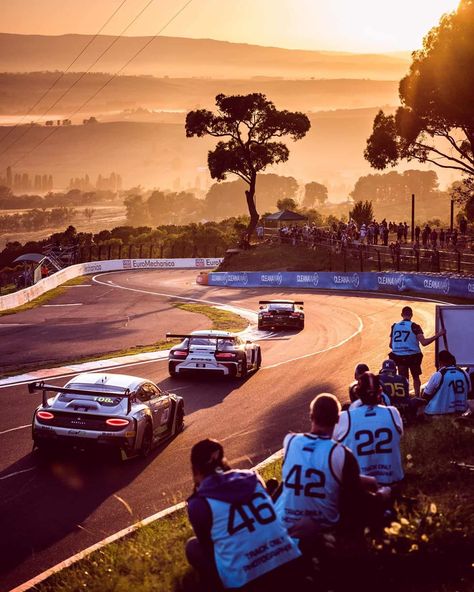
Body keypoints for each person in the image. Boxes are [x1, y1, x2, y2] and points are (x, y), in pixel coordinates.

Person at [274, 394, 391, 547]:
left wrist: (363, 479)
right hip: (323, 529)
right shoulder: (342, 454)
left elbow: (308, 470)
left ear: (311, 416)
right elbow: (359, 501)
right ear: (337, 419)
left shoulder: (290, 441)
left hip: (284, 526)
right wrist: (382, 496)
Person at [185, 439, 301, 590]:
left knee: (192, 547)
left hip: (246, 581)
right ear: (222, 460)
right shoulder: (253, 477)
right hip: (289, 562)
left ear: (196, 469)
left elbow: (209, 547)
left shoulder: (199, 503)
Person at [334, 373, 404, 486]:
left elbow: (334, 445)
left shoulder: (345, 417)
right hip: (392, 482)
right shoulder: (392, 412)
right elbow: (399, 435)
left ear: (358, 393)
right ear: (380, 392)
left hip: (361, 485)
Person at [388, 305, 445, 397]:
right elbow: (424, 342)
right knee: (415, 377)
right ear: (411, 315)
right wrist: (439, 334)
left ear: (402, 314)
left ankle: (404, 396)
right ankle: (417, 396)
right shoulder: (414, 326)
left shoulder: (394, 326)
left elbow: (390, 345)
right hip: (412, 356)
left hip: (398, 356)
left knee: (403, 378)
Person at [423, 350, 471, 415]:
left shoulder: (438, 375)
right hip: (461, 411)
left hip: (438, 412)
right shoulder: (464, 373)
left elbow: (426, 395)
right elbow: (469, 392)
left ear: (440, 362)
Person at [378, 359, 424, 425]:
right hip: (404, 408)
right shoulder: (403, 379)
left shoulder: (378, 378)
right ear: (395, 370)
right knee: (419, 400)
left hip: (388, 409)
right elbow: (406, 395)